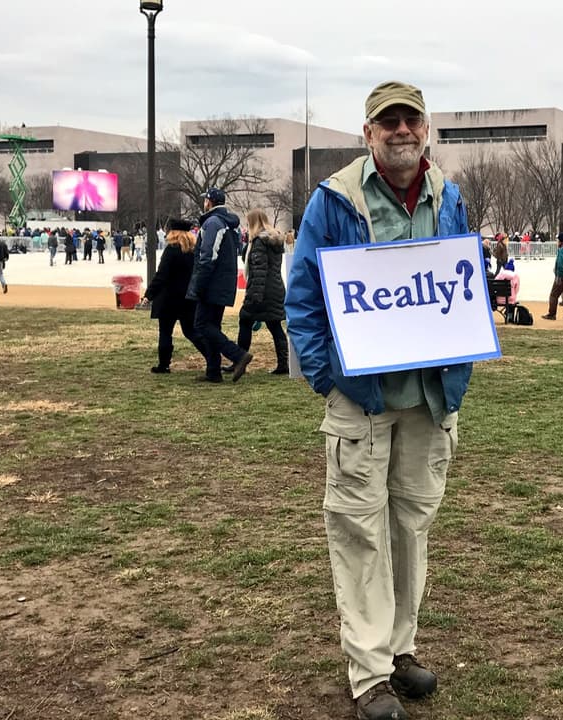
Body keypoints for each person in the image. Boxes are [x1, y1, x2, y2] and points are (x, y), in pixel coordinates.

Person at [285, 80, 470, 720]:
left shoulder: (449, 197)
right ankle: (369, 673)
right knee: (359, 531)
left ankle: (399, 648)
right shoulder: (334, 200)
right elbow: (304, 300)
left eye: (409, 120)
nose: (400, 131)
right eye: (386, 122)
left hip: (427, 397)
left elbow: (461, 282)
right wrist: (325, 375)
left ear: (426, 128)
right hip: (360, 399)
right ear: (368, 134)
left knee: (410, 528)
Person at [186, 187, 251, 383]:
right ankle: (213, 372)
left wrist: (198, 285)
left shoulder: (212, 223)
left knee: (202, 324)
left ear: (210, 202)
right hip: (225, 282)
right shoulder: (230, 224)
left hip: (211, 282)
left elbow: (208, 257)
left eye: (205, 199)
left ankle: (238, 355)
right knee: (212, 325)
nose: (204, 203)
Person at [145, 219, 203, 373]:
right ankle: (211, 355)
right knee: (191, 331)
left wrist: (149, 294)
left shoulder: (171, 250)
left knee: (165, 332)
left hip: (168, 298)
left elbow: (161, 275)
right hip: (188, 298)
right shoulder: (194, 251)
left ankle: (164, 364)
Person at [236, 208, 289, 376]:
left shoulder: (259, 242)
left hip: (262, 290)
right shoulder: (274, 241)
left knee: (244, 320)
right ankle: (283, 364)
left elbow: (259, 270)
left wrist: (254, 296)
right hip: (276, 288)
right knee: (275, 326)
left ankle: (240, 360)